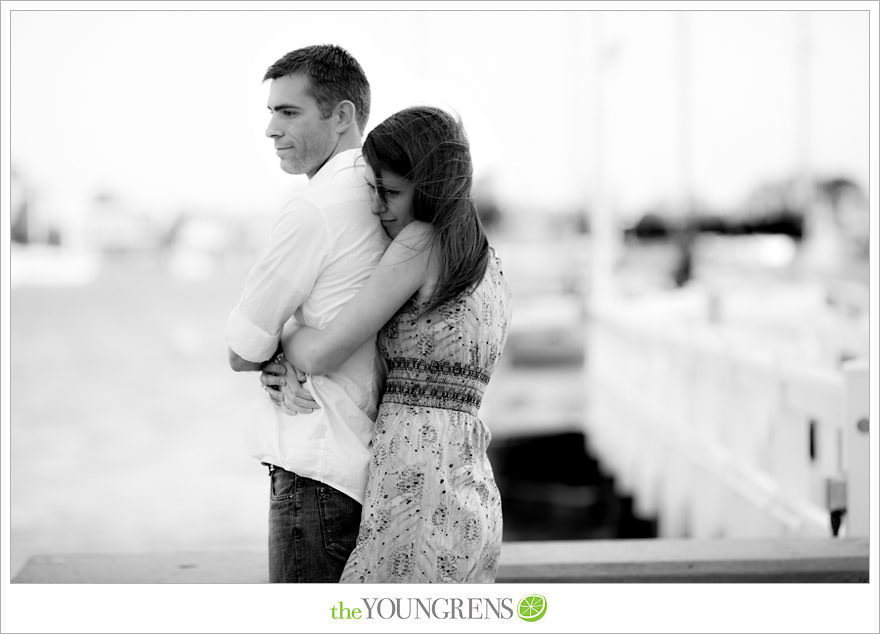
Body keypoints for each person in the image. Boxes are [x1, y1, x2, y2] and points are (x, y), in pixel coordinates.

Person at [267, 106, 512, 583]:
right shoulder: (489, 265)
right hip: (471, 485)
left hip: (414, 480)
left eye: (391, 193)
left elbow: (321, 353)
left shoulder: (420, 241)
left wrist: (283, 337)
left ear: (431, 188)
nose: (379, 208)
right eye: (375, 191)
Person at [225, 44, 388, 583]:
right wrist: (297, 340)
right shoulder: (386, 195)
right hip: (371, 468)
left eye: (288, 111)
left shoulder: (316, 207)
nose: (271, 129)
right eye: (271, 112)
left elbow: (242, 349)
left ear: (342, 115)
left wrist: (280, 346)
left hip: (316, 467)